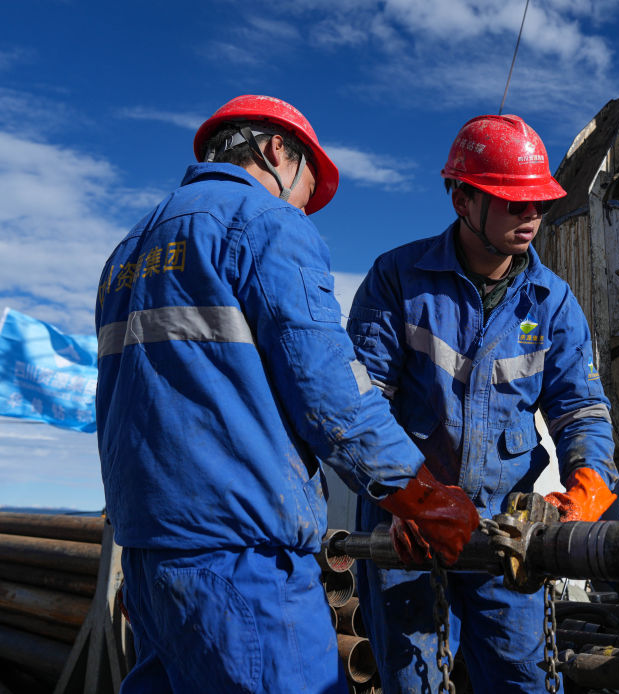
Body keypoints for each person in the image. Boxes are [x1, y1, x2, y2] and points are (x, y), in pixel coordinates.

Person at [94, 95, 478, 694]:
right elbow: (331, 392)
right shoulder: (265, 223)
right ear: (278, 150)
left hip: (147, 557)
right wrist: (423, 499)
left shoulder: (128, 251)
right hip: (243, 559)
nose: (303, 209)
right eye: (307, 192)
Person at [347, 114, 619, 694]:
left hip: (506, 535)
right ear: (463, 201)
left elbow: (581, 411)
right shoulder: (398, 280)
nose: (532, 216)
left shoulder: (552, 303)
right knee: (413, 682)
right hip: (411, 531)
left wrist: (586, 492)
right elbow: (361, 408)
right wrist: (405, 500)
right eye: (515, 203)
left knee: (524, 680)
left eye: (539, 202)